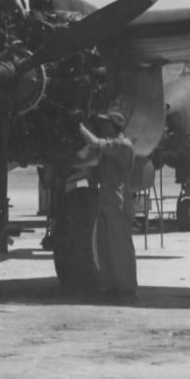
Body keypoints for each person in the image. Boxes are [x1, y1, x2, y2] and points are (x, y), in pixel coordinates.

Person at [78, 111, 138, 302]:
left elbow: (95, 142)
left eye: (106, 124)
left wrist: (78, 126)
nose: (103, 127)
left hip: (118, 199)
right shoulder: (113, 147)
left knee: (120, 244)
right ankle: (113, 284)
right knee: (105, 243)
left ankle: (127, 287)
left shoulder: (123, 145)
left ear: (114, 127)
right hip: (107, 197)